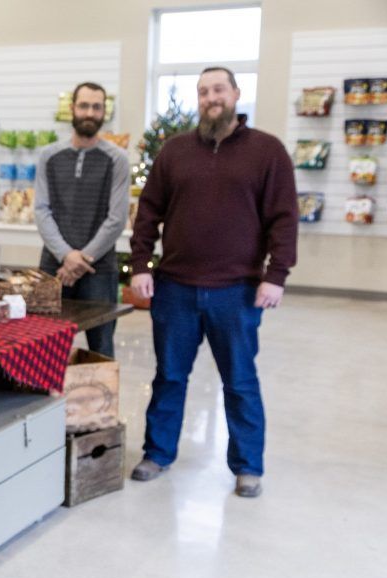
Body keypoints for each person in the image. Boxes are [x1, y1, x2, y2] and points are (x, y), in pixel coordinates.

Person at [128, 66, 298, 498]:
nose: (210, 97)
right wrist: (142, 267)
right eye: (203, 91)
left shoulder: (267, 152)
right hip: (175, 289)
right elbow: (148, 213)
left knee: (239, 380)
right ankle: (158, 453)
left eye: (218, 89)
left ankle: (248, 465)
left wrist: (275, 276)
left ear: (236, 94)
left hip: (237, 291)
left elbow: (284, 220)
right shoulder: (174, 152)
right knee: (169, 376)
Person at [35, 81, 130, 358]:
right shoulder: (49, 156)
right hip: (53, 267)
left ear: (104, 113)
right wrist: (66, 255)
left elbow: (116, 219)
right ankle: (48, 403)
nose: (90, 112)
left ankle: (98, 403)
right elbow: (41, 210)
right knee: (45, 347)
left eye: (97, 107)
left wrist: (81, 260)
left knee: (101, 351)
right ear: (72, 109)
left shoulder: (118, 159)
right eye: (84, 105)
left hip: (99, 270)